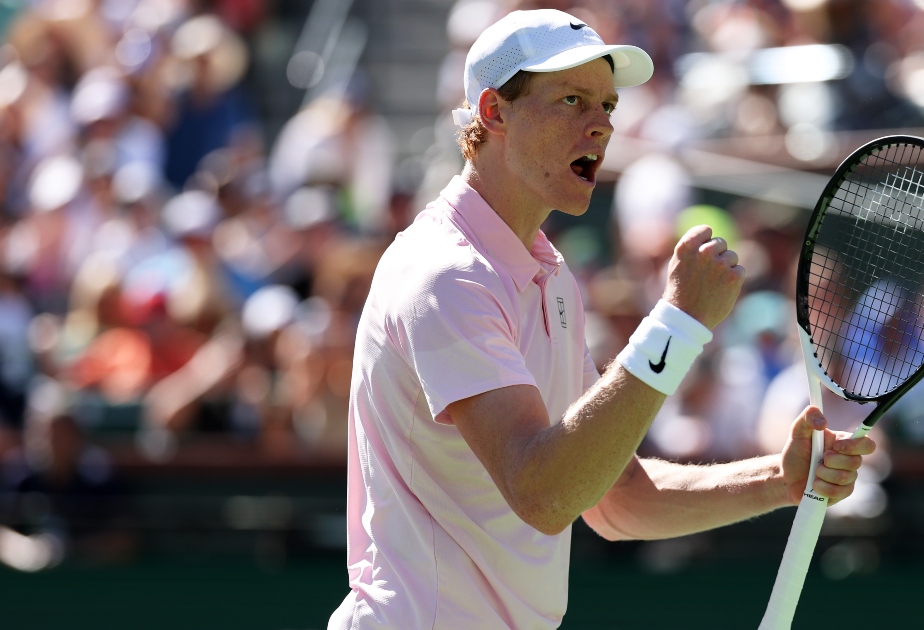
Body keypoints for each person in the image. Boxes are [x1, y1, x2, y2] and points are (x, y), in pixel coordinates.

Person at [329, 10, 875, 629]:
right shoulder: (446, 276)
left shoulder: (551, 275)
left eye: (608, 106)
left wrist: (778, 478)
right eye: (572, 100)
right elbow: (543, 492)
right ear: (494, 112)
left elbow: (615, 498)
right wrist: (677, 323)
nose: (601, 125)